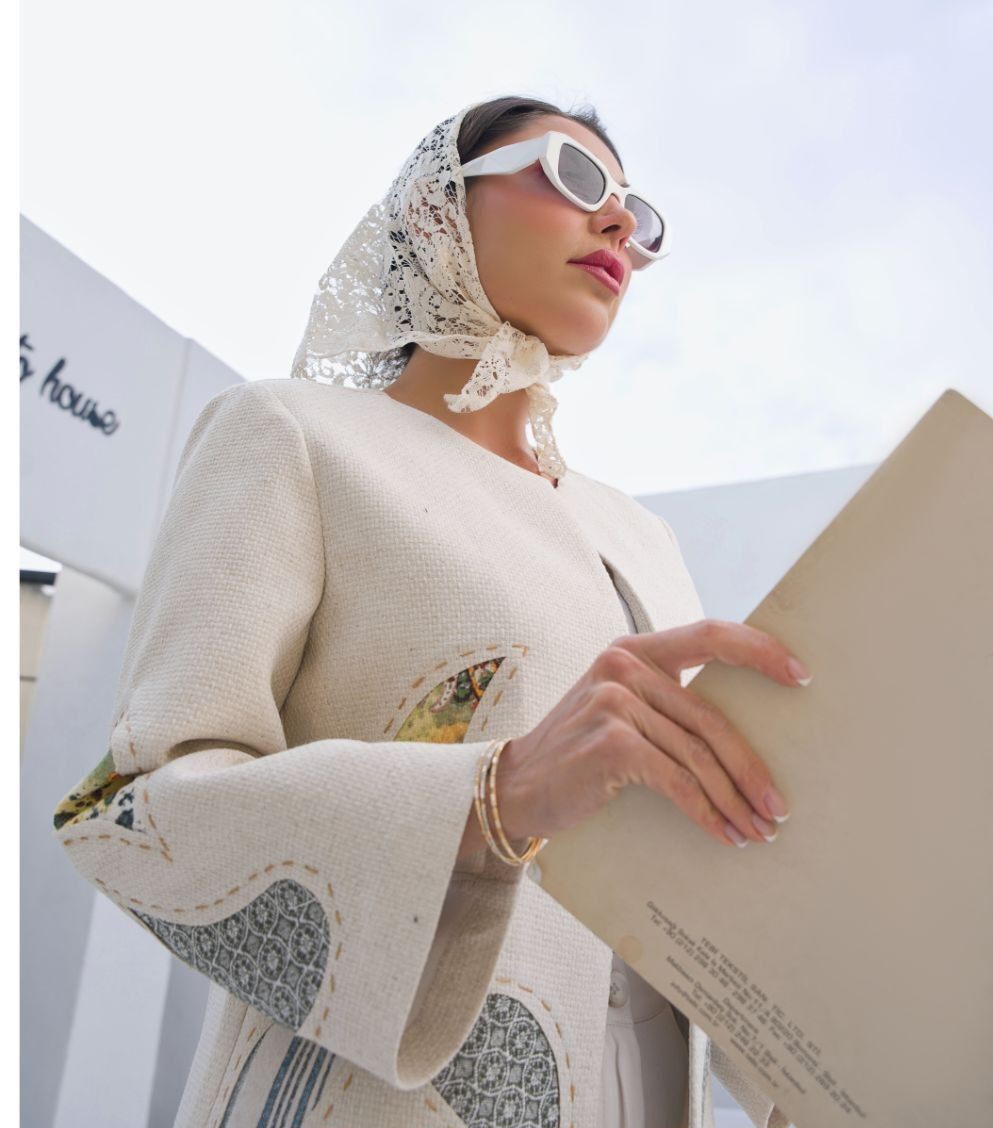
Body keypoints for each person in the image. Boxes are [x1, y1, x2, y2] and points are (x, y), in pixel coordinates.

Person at [52, 94, 800, 1128]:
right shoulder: (293, 436)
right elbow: (137, 813)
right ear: (430, 210)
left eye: (638, 213)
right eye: (575, 177)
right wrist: (491, 795)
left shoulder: (642, 537)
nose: (619, 223)